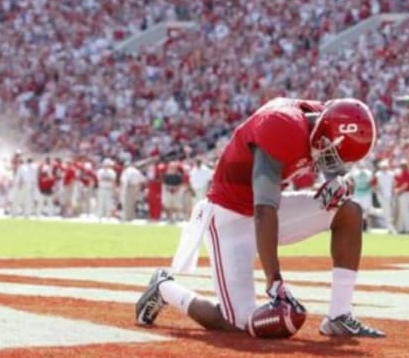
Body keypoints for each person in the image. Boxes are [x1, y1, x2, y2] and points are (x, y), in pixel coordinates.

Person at [136, 97, 384, 337]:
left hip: (266, 209)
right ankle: (164, 288)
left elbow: (331, 165)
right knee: (238, 322)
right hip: (229, 215)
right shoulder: (281, 125)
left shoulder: (326, 119)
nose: (332, 162)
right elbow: (264, 208)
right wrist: (274, 282)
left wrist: (338, 185)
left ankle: (339, 316)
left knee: (348, 212)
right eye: (331, 154)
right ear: (321, 129)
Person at [394, 160, 409, 234]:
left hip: (406, 194)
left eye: (404, 165)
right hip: (402, 194)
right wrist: (397, 190)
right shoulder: (402, 174)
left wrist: (398, 191)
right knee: (403, 211)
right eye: (402, 166)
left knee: (406, 211)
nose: (402, 167)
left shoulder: (408, 174)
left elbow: (406, 185)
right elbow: (397, 183)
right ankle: (402, 228)